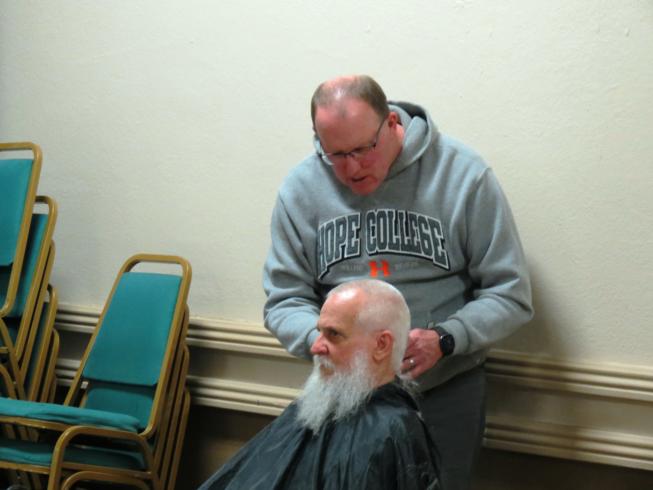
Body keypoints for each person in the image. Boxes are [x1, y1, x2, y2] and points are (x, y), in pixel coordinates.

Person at [263, 74, 534, 490]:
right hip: (342, 395)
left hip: (443, 391)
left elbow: (510, 293)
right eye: (335, 154)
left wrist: (445, 338)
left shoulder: (464, 176)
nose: (352, 168)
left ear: (391, 123)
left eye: (363, 149)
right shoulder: (300, 190)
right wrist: (329, 344)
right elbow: (284, 301)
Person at [200, 280, 441, 490]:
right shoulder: (310, 412)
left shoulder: (392, 433)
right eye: (319, 332)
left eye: (333, 334)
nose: (315, 347)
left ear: (381, 345)